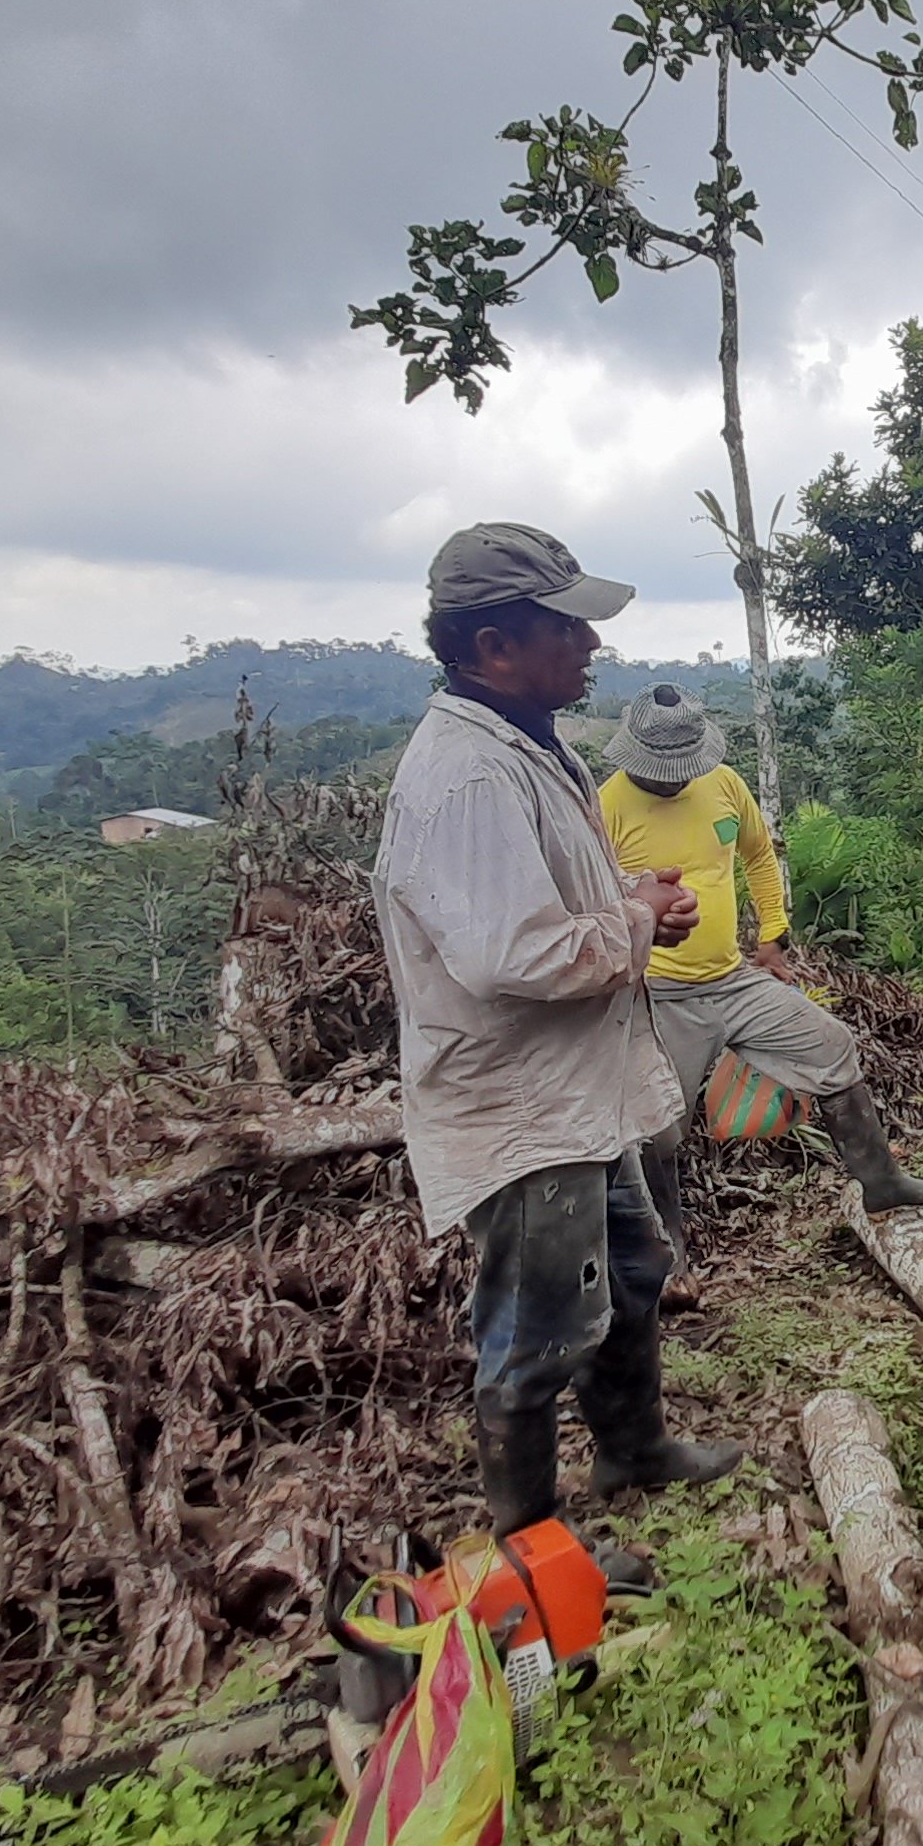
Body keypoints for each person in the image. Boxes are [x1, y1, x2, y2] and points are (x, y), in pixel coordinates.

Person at [371, 523, 745, 1589]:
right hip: (521, 1106)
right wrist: (636, 921)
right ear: (493, 646)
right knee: (536, 1332)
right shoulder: (468, 779)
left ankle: (633, 1450)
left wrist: (631, 903)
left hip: (577, 1090)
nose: (590, 645)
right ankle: (532, 1551)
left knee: (630, 1269)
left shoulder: (527, 742)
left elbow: (550, 901)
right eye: (566, 628)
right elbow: (515, 956)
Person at [598, 681, 923, 1285]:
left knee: (831, 1047)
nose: (675, 780)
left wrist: (773, 935)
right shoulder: (607, 806)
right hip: (660, 996)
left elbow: (760, 855)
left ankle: (882, 1183)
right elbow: (593, 906)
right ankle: (669, 1259)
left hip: (734, 979)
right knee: (659, 1129)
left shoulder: (724, 785)